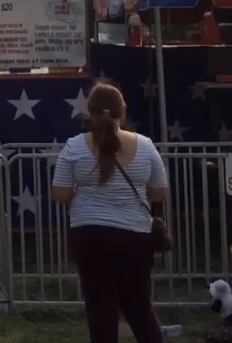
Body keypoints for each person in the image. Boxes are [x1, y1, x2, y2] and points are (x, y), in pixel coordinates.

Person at [52, 83, 169, 343]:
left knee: (101, 311)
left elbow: (59, 193)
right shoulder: (146, 146)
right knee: (139, 307)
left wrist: (80, 192)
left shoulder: (74, 147)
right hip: (135, 236)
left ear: (89, 113)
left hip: (89, 234)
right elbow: (160, 191)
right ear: (122, 113)